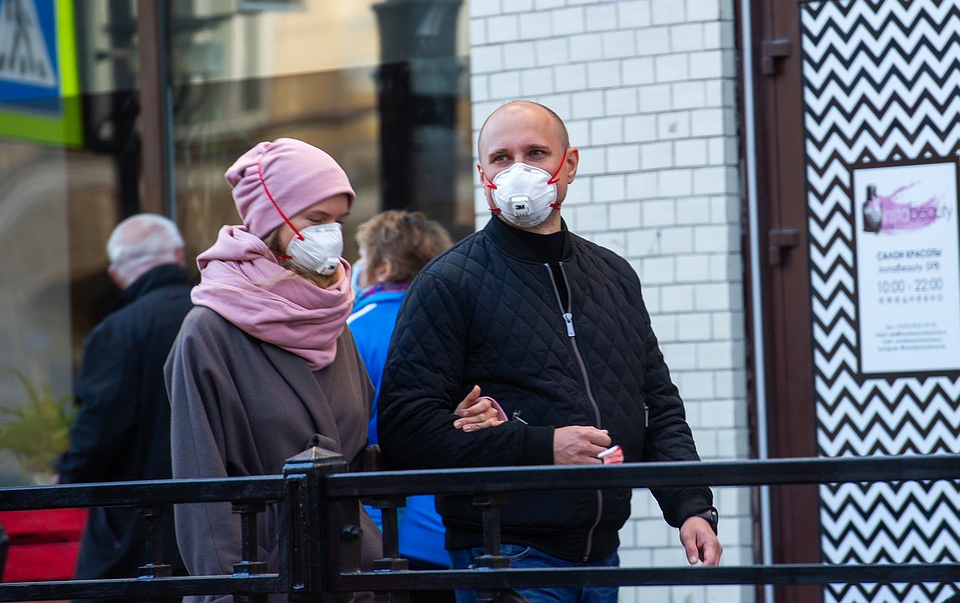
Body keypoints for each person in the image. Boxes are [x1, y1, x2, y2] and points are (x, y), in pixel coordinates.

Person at [378, 101, 723, 603]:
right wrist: (542, 448)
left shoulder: (614, 277)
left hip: (601, 559)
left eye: (536, 153)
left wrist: (691, 507)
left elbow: (658, 405)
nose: (518, 170)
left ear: (570, 164)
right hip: (502, 557)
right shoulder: (448, 282)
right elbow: (405, 428)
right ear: (483, 174)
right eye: (501, 158)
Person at [164, 139, 496, 603]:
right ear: (269, 219)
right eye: (316, 220)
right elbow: (202, 492)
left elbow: (358, 461)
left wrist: (447, 427)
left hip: (350, 577)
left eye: (337, 221)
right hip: (264, 586)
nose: (331, 236)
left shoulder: (332, 321)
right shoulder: (209, 333)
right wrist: (230, 592)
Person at [57, 213, 191, 597]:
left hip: (135, 535)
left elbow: (99, 431)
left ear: (117, 273)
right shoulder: (216, 317)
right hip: (215, 525)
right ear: (179, 255)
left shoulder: (118, 330)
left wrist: (66, 477)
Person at [347, 210, 457, 603]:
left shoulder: (350, 331)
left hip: (379, 530)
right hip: (452, 531)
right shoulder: (455, 326)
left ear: (384, 266)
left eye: (362, 255)